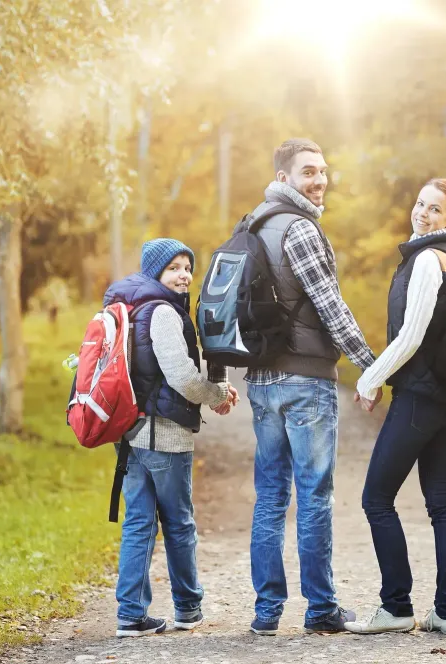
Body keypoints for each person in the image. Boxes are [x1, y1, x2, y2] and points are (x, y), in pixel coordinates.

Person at [241, 138, 377, 635]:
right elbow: (330, 307)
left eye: (322, 171)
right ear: (283, 179)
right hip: (305, 381)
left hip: (261, 381)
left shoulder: (251, 225)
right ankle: (321, 610)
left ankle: (265, 612)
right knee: (314, 496)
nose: (319, 180)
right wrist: (371, 366)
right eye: (307, 172)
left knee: (271, 496)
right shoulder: (299, 229)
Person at [345, 178, 446, 637]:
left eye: (435, 209)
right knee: (442, 504)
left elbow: (412, 336)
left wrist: (368, 378)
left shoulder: (426, 260)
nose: (422, 213)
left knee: (376, 499)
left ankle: (396, 605)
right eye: (420, 204)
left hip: (419, 399)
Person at [102, 238, 239, 637]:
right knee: (178, 523)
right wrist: (216, 395)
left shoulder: (131, 307)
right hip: (164, 436)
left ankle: (130, 614)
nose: (183, 275)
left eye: (186, 267)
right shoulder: (161, 312)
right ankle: (188, 607)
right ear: (155, 274)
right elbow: (181, 377)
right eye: (173, 268)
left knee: (140, 523)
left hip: (129, 435)